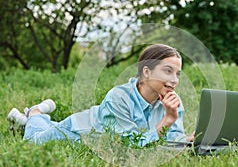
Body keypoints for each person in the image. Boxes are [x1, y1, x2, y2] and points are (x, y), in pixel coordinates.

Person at [7, 44, 194, 147]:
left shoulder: (172, 101)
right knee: (34, 140)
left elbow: (172, 139)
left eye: (177, 73)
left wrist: (187, 141)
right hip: (77, 131)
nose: (175, 80)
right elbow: (133, 147)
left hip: (98, 126)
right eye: (168, 71)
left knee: (47, 127)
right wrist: (168, 119)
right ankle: (35, 112)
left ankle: (29, 119)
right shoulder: (119, 97)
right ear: (146, 72)